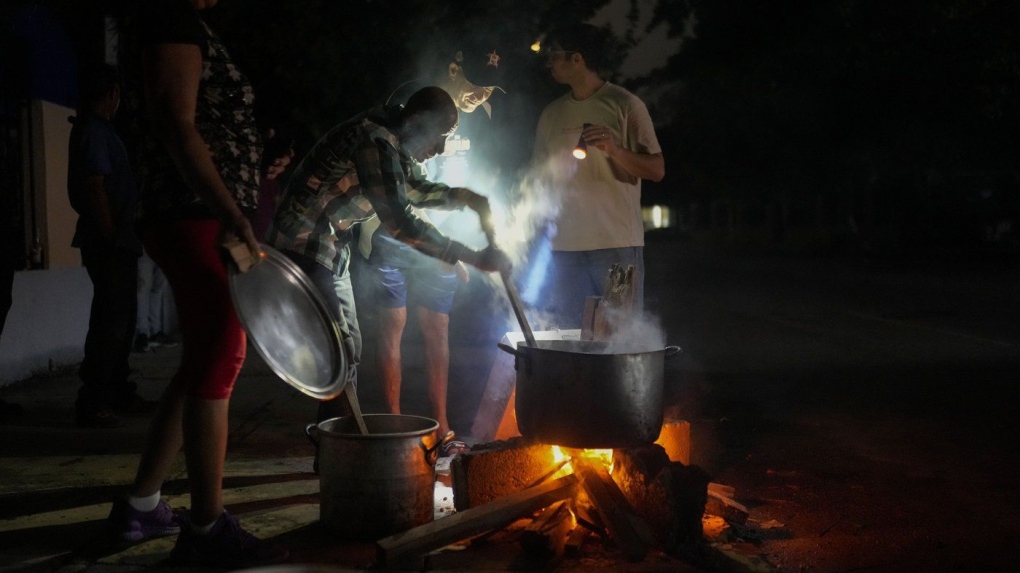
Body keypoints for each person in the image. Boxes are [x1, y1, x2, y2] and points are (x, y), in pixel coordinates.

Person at [108, 0, 287, 567]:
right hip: (191, 211)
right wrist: (231, 210)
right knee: (222, 352)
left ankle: (142, 504)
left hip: (196, 209)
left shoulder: (180, 22)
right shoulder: (169, 19)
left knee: (202, 359)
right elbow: (176, 120)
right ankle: (207, 529)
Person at [267, 86, 510, 468]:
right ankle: (340, 455)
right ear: (416, 123)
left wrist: (466, 198)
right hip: (306, 243)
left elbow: (414, 189)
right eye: (441, 136)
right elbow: (400, 221)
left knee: (347, 351)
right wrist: (471, 257)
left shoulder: (392, 142)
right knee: (341, 349)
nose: (442, 149)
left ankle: (334, 451)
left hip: (329, 246)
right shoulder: (374, 139)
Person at [356, 45, 507, 455]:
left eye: (491, 90)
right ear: (455, 68)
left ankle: (441, 428)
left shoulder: (484, 121)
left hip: (441, 232)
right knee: (393, 324)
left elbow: (480, 173)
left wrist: (462, 233)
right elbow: (399, 190)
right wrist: (457, 252)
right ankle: (395, 425)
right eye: (478, 85)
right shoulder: (413, 99)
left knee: (437, 327)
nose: (483, 96)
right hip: (394, 230)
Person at [532, 24, 665, 327]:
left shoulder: (625, 104)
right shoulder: (551, 114)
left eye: (554, 56)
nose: (549, 64)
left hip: (616, 247)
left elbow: (657, 170)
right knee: (571, 338)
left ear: (576, 59)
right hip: (564, 250)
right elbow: (538, 178)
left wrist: (615, 150)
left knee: (619, 338)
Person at [66, 63, 149, 429]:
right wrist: (111, 234)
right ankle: (95, 399)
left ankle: (115, 391)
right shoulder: (95, 131)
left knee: (121, 319)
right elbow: (96, 185)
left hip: (117, 238)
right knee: (111, 322)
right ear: (112, 94)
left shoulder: (98, 130)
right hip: (111, 241)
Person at [133, 247, 179, 353]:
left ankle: (153, 331)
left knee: (157, 287)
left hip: (164, 245)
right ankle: (143, 333)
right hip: (146, 243)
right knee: (143, 287)